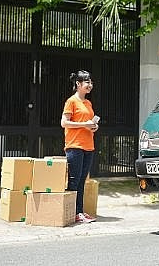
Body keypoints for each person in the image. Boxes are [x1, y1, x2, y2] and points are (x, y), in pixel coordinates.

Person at [61, 70, 99, 224]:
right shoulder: (71, 101)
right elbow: (64, 122)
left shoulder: (88, 103)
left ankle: (79, 212)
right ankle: (72, 212)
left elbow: (88, 123)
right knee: (74, 181)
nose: (90, 85)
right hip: (75, 146)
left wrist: (93, 127)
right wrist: (85, 124)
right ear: (78, 84)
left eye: (91, 82)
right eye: (86, 82)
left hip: (88, 146)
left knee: (82, 180)